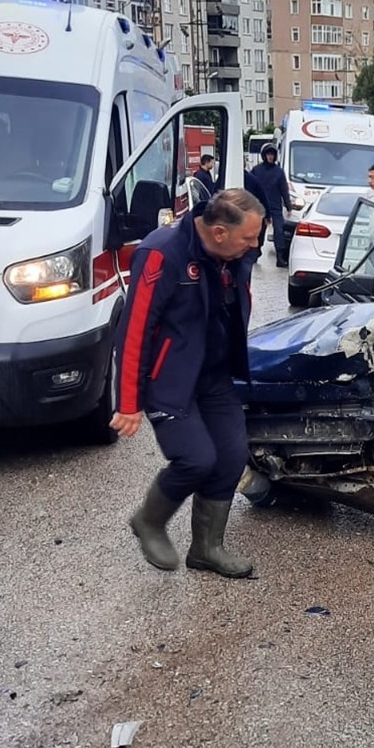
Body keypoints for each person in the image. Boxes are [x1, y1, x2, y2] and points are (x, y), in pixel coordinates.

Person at [112, 188, 264, 579]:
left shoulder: (233, 255)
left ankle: (206, 548)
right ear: (217, 232)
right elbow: (134, 331)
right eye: (249, 237)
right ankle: (149, 520)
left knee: (231, 455)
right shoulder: (162, 254)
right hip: (171, 380)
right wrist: (128, 402)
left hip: (213, 375)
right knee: (197, 459)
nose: (256, 244)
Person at [247, 142, 293, 267]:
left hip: (275, 207)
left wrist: (289, 206)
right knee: (259, 231)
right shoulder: (256, 170)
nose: (270, 157)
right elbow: (250, 187)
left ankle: (280, 256)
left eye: (272, 154)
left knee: (279, 231)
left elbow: (284, 190)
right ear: (264, 155)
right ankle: (256, 253)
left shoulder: (279, 172)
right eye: (268, 154)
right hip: (259, 206)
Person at [243, 167, 273, 259]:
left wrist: (267, 214)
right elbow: (263, 197)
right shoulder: (253, 179)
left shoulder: (252, 180)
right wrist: (267, 214)